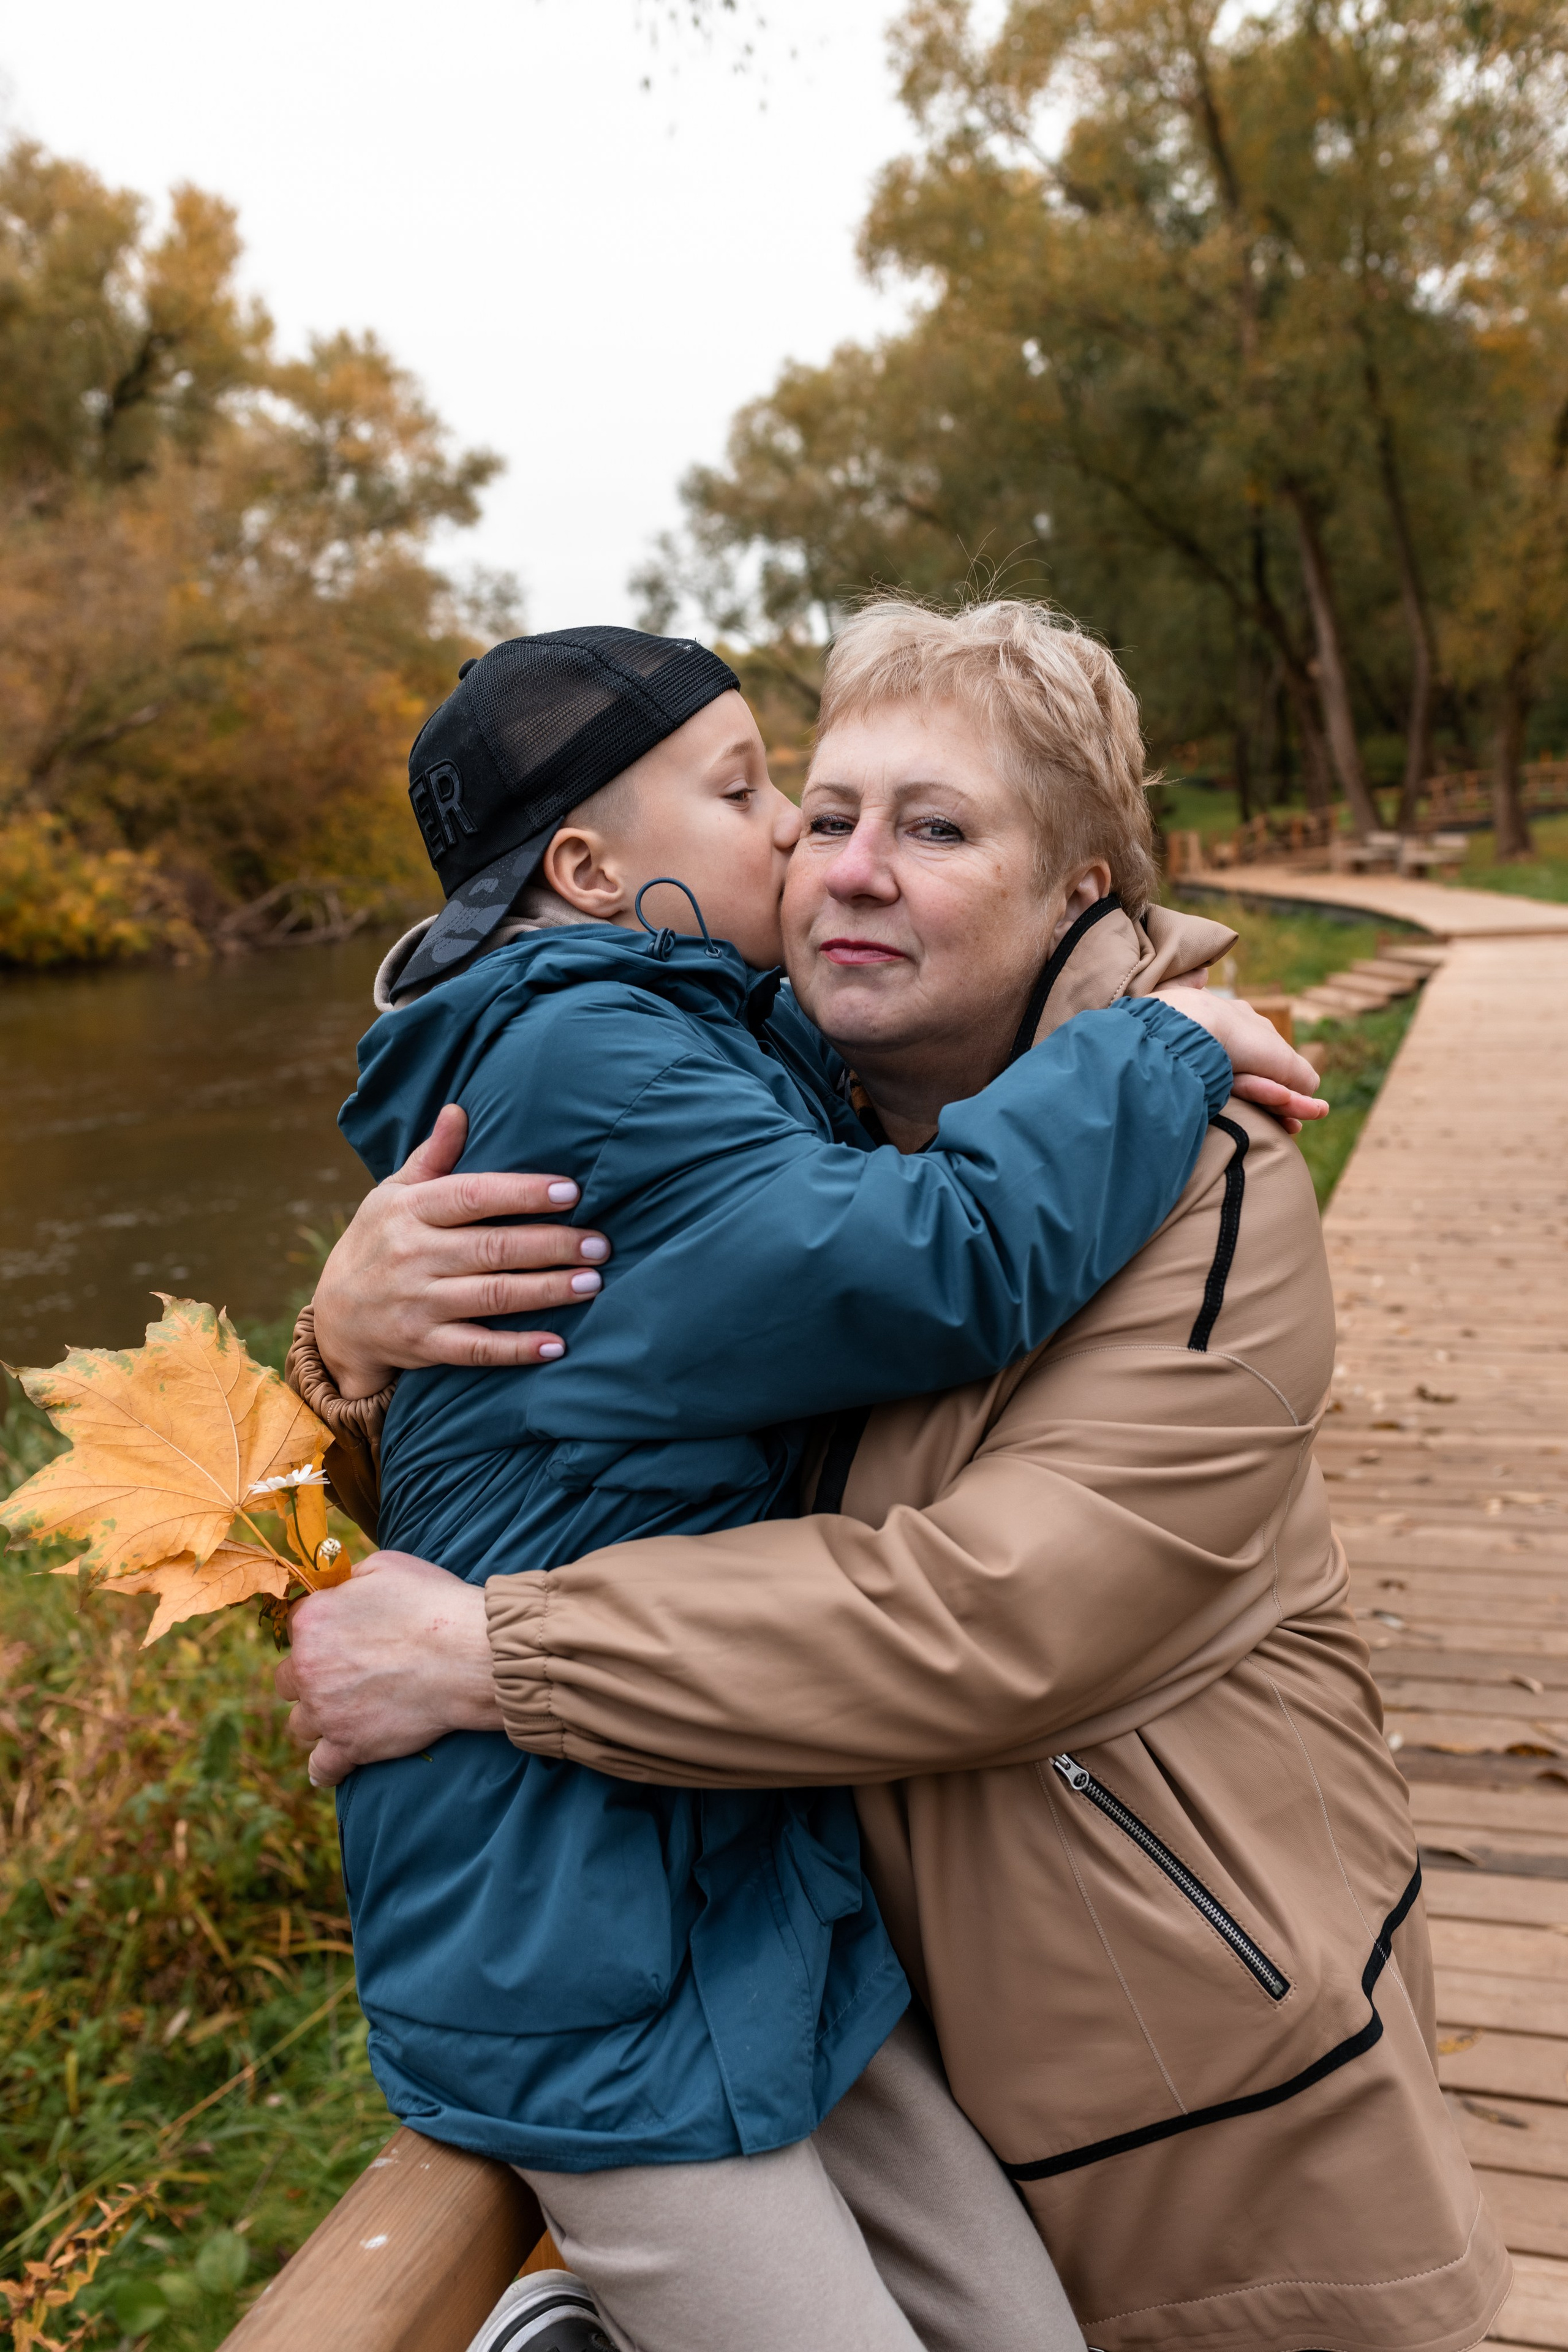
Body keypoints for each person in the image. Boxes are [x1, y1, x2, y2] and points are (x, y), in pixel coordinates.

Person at [287, 601, 1509, 2352]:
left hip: (1200, 2108)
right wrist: (345, 1344)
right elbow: (531, 1435)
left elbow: (998, 1614)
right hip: (789, 1967)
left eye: (932, 829)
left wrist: (495, 1655)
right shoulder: (771, 1098)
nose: (830, 857)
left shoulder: (1204, 1172)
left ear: (1080, 883)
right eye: (812, 804)